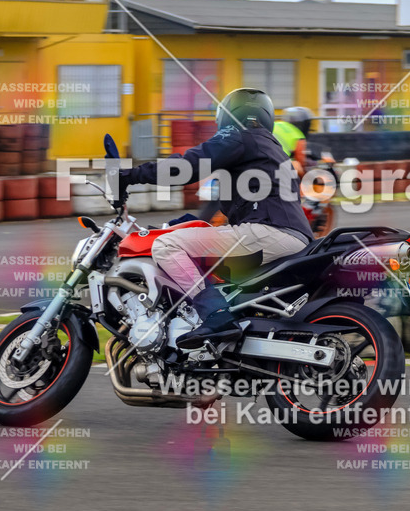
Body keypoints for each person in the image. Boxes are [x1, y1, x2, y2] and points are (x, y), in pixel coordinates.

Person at [118, 88, 313, 348]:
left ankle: (216, 315)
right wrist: (178, 224)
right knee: (198, 252)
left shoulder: (240, 136)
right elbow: (224, 214)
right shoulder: (269, 147)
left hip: (268, 232)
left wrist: (129, 176)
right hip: (289, 236)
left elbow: (186, 166)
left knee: (167, 246)